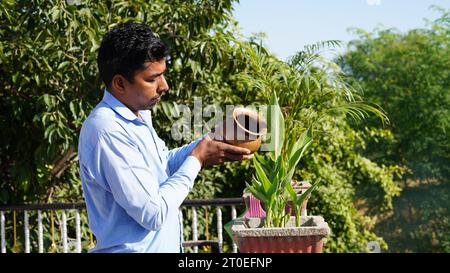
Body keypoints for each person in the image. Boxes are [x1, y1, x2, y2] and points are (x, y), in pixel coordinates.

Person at [78, 22, 252, 253]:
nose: (164, 86)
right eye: (152, 79)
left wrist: (210, 142)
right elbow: (153, 213)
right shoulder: (107, 129)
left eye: (163, 76)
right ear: (119, 83)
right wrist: (197, 160)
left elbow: (163, 167)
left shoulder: (137, 117)